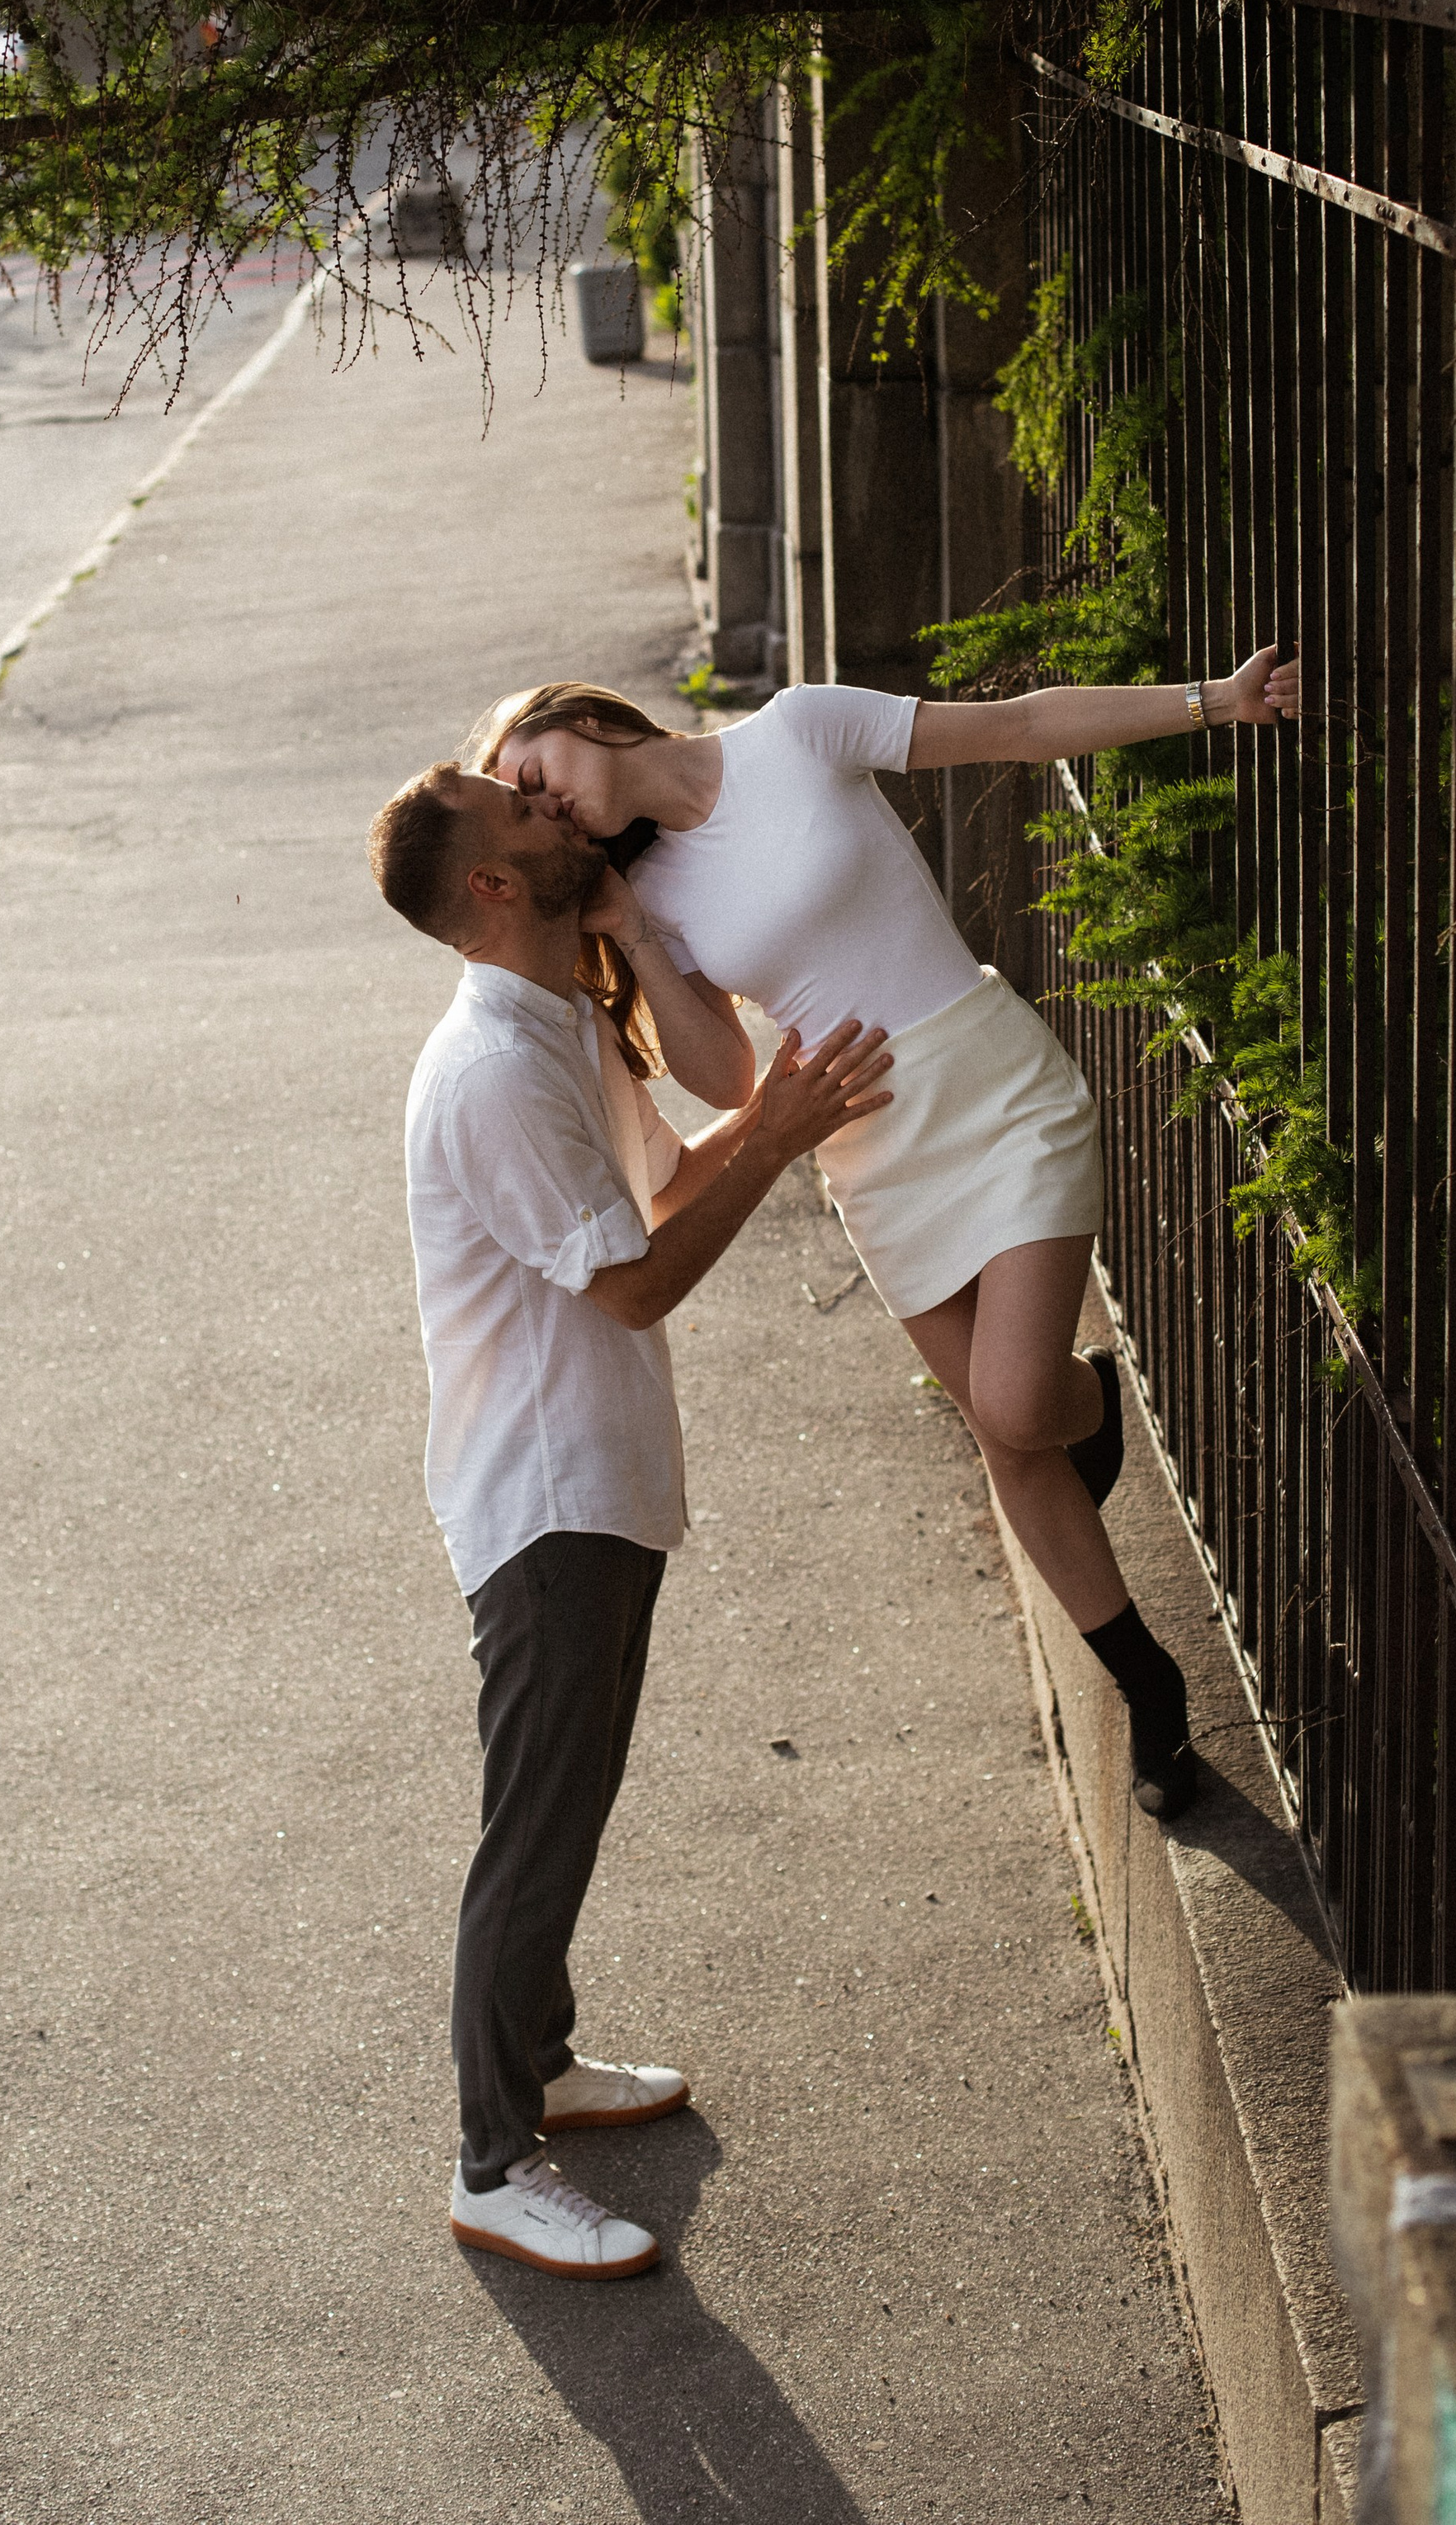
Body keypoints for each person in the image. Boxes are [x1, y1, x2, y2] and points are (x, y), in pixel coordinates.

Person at [468, 650, 1301, 1826]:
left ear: (582, 718)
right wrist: (632, 932)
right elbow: (728, 1076)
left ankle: (1092, 1412)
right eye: (520, 805)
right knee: (1006, 1434)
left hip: (991, 1087)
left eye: (529, 768)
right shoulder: (648, 902)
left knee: (1018, 1408)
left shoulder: (797, 733)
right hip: (874, 1151)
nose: (540, 799)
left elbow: (1017, 728)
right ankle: (1149, 1690)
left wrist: (1213, 701)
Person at [368, 757, 890, 2281]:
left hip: (595, 1477)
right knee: (533, 1826)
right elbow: (638, 1280)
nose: (559, 813)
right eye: (520, 813)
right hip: (542, 1497)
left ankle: (542, 2066)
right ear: (490, 886)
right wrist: (781, 1136)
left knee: (571, 1797)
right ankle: (488, 2162)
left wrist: (781, 1110)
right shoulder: (492, 1072)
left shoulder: (565, 1025)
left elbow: (659, 1192)